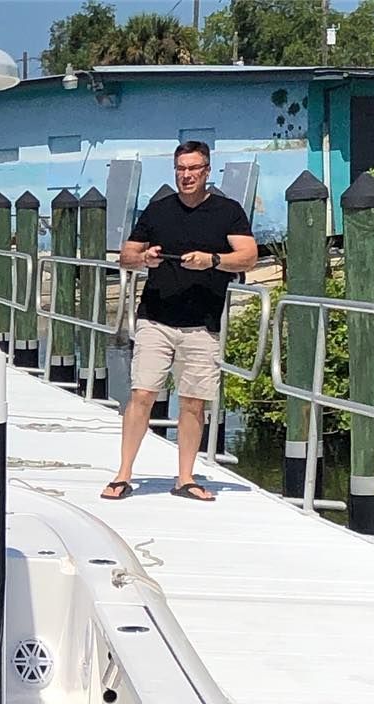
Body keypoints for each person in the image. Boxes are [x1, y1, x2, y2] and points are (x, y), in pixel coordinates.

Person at [102, 141, 258, 502]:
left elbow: (248, 256)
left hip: (203, 323)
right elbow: (126, 254)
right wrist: (145, 256)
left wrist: (213, 261)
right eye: (181, 169)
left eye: (193, 168)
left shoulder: (227, 211)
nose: (187, 175)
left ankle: (185, 478)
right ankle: (124, 474)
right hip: (156, 318)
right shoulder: (158, 211)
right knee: (141, 394)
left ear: (207, 170)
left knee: (193, 401)